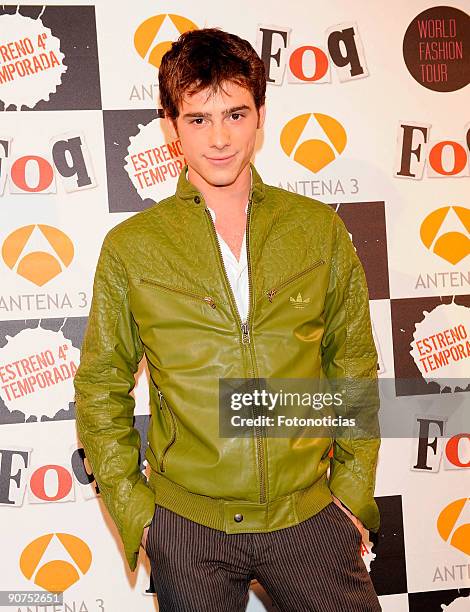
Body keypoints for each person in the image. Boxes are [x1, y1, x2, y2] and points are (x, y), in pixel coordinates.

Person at [74, 28, 382, 611]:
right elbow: (99, 388)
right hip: (187, 526)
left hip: (309, 515)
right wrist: (138, 513)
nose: (219, 139)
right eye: (197, 119)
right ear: (171, 127)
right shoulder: (132, 247)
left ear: (261, 115)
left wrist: (352, 489)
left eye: (236, 114)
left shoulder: (317, 230)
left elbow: (354, 366)